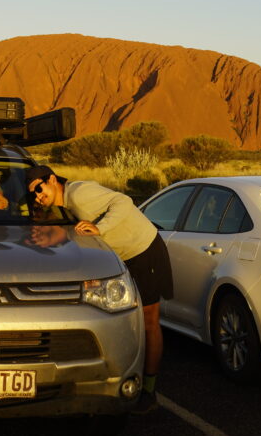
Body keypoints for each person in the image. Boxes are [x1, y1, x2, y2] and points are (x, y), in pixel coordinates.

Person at [26, 164, 173, 415]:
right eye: (33, 194)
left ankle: (149, 391)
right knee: (127, 320)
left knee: (149, 321)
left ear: (52, 179)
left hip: (145, 251)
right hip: (124, 257)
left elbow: (124, 202)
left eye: (39, 188)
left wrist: (100, 229)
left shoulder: (79, 193)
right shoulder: (66, 207)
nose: (38, 196)